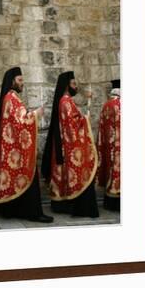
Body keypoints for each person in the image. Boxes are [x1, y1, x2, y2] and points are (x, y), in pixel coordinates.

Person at [0, 67, 53, 223]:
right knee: (27, 174)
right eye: (20, 80)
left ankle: (13, 210)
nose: (22, 83)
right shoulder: (11, 97)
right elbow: (21, 121)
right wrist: (36, 113)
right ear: (12, 81)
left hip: (12, 147)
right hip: (15, 149)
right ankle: (33, 212)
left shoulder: (12, 97)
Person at [41, 71, 99, 217]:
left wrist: (83, 114)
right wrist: (85, 119)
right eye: (74, 84)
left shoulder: (65, 100)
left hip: (63, 144)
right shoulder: (65, 101)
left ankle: (62, 203)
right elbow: (71, 124)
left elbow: (72, 119)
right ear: (67, 86)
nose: (76, 86)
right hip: (66, 145)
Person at [96, 79, 121, 211]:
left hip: (108, 145)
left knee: (110, 170)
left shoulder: (106, 105)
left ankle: (109, 201)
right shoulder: (121, 104)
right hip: (118, 145)